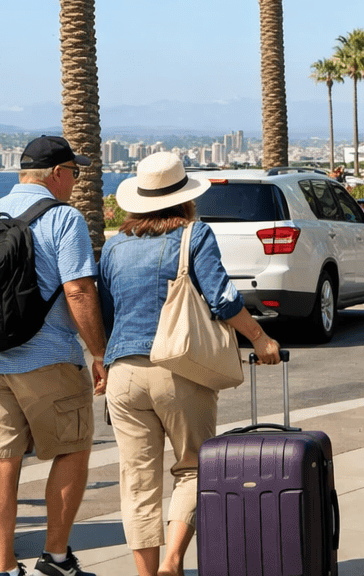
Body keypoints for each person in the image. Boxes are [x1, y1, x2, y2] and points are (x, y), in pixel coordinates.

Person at [98, 152, 281, 576]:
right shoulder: (193, 235)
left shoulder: (113, 245)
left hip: (123, 373)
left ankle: (146, 574)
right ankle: (173, 562)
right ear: (184, 198)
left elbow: (107, 311)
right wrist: (260, 338)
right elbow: (222, 299)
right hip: (177, 369)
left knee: (138, 482)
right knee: (193, 466)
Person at [0, 136, 107, 576]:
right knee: (73, 447)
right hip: (48, 358)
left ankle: (4, 568)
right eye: (74, 172)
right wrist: (99, 353)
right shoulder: (63, 218)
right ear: (57, 173)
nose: (75, 181)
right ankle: (56, 558)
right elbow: (77, 289)